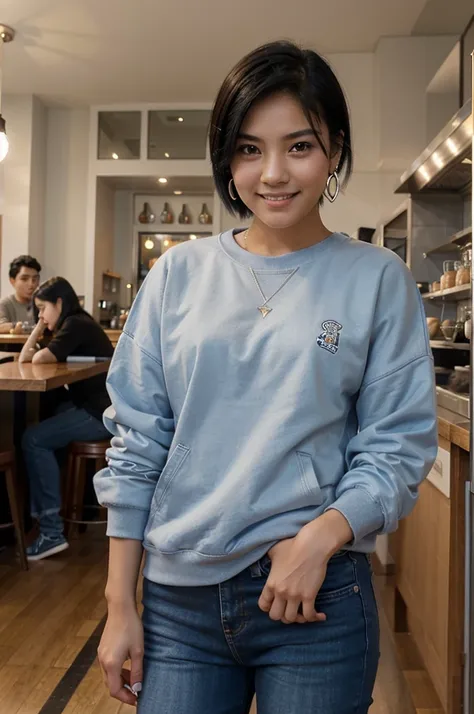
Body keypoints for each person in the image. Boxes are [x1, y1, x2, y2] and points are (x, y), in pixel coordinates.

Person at [94, 41, 438, 713]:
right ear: (227, 156)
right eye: (249, 149)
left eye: (299, 146)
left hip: (318, 598)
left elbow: (397, 446)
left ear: (334, 148)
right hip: (179, 602)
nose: (273, 173)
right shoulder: (176, 275)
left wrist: (321, 537)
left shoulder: (376, 280)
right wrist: (118, 604)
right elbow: (137, 442)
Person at [20, 277, 113, 561]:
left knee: (33, 439)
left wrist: (37, 329)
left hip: (101, 414)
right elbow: (27, 357)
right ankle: (49, 515)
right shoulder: (75, 323)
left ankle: (50, 532)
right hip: (101, 408)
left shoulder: (75, 324)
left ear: (59, 303)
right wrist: (41, 323)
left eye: (43, 308)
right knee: (51, 420)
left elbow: (35, 360)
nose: (41, 315)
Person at [0, 255, 41, 334]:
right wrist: (17, 326)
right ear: (12, 281)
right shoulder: (5, 304)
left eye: (35, 279)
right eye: (24, 279)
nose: (31, 284)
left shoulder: (43, 304)